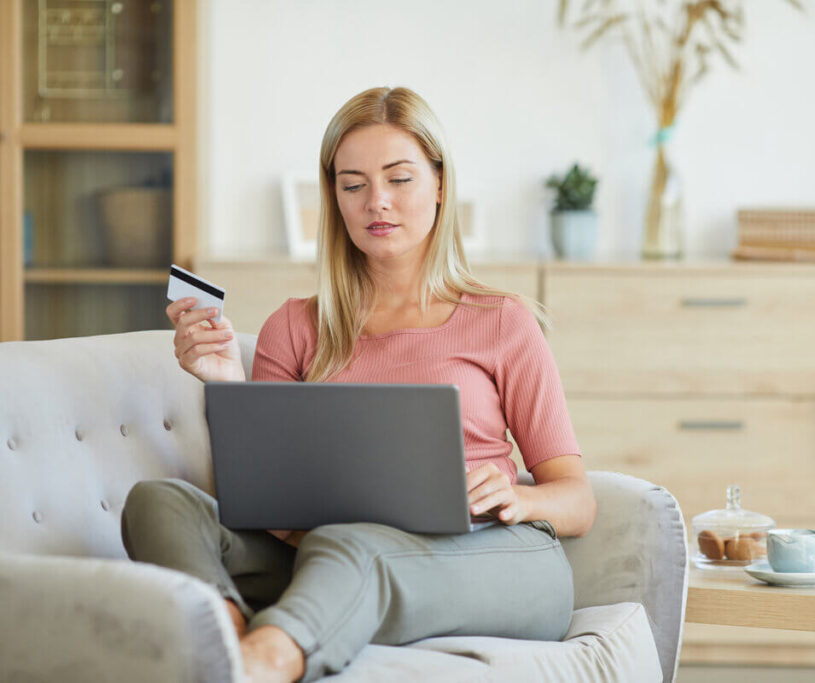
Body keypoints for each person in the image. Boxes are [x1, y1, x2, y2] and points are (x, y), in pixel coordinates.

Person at [121, 86, 596, 683]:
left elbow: (577, 500)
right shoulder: (294, 326)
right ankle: (225, 642)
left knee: (352, 548)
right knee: (160, 503)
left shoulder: (503, 321)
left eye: (399, 179)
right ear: (335, 198)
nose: (378, 202)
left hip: (487, 558)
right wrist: (228, 385)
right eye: (353, 185)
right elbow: (266, 505)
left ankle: (263, 664)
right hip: (329, 552)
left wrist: (516, 497)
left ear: (441, 184)